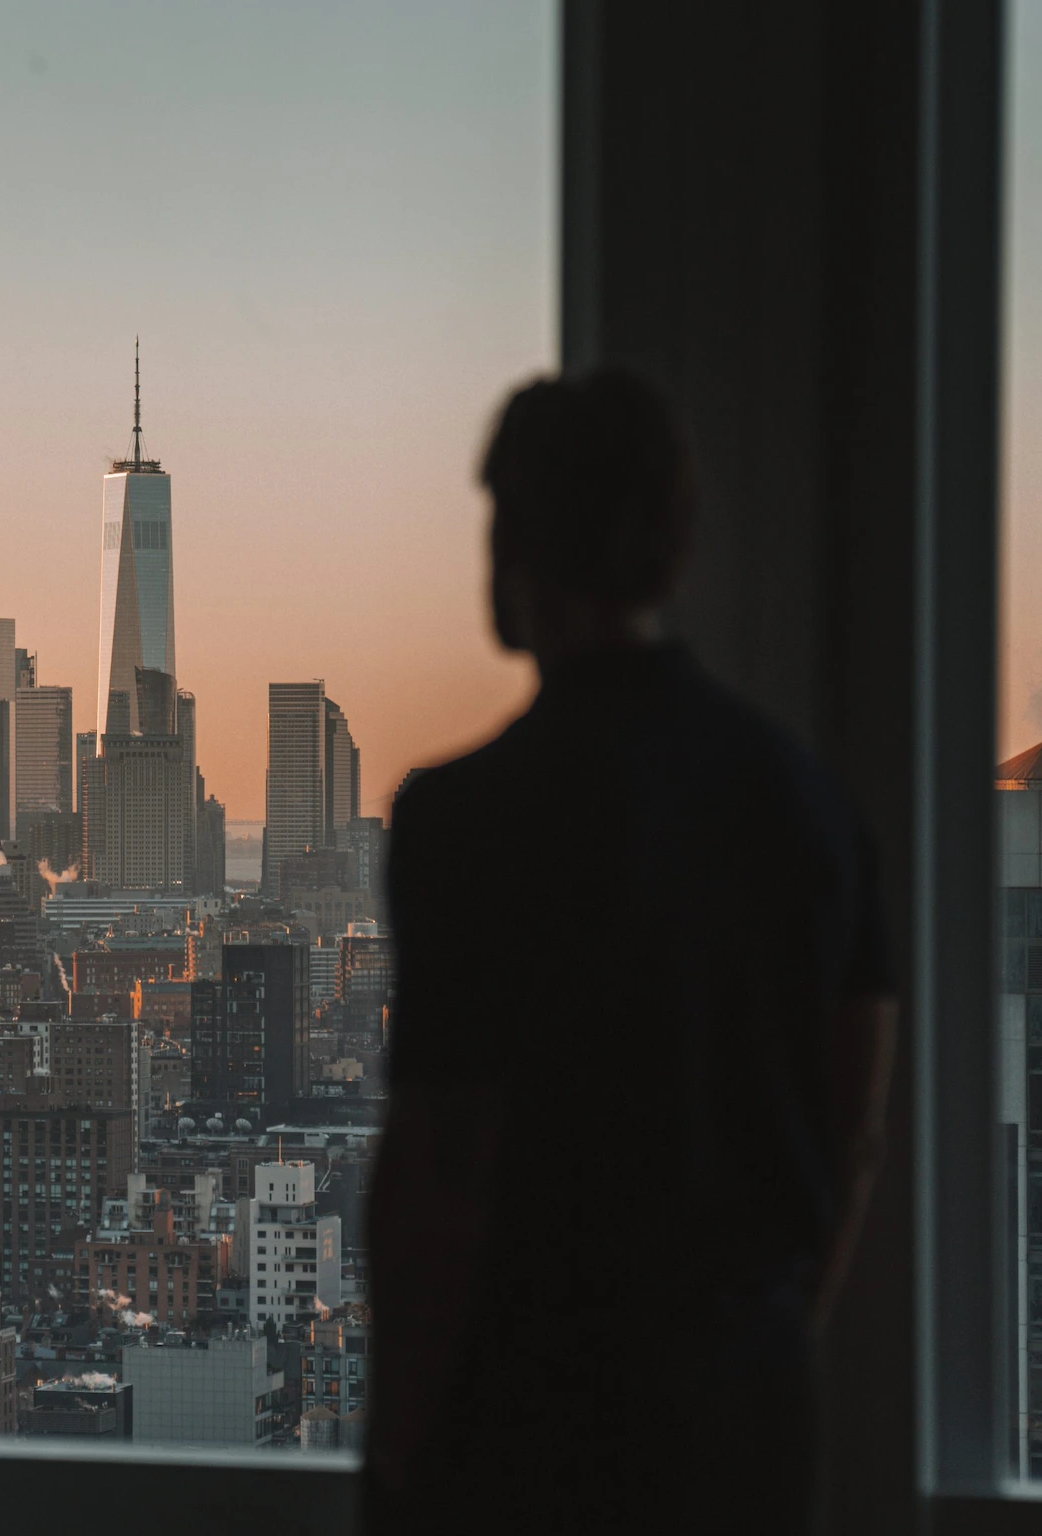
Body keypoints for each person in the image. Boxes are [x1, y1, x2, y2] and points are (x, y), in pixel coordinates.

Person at [367, 369, 895, 1534]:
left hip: (525, 1427)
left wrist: (398, 1448)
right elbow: (851, 1131)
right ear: (676, 547)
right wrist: (762, 1341)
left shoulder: (467, 818)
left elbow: (441, 1171)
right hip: (748, 1423)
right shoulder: (816, 811)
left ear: (513, 539)